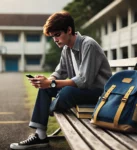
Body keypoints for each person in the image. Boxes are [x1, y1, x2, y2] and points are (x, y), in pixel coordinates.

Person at [10, 11, 112, 149]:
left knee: (67, 92)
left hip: (99, 93)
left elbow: (84, 80)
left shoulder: (88, 45)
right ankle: (40, 136)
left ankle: (49, 109)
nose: (55, 39)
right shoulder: (66, 49)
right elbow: (60, 72)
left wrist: (51, 83)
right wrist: (47, 80)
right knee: (46, 89)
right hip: (82, 91)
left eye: (57, 35)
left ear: (69, 30)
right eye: (52, 37)